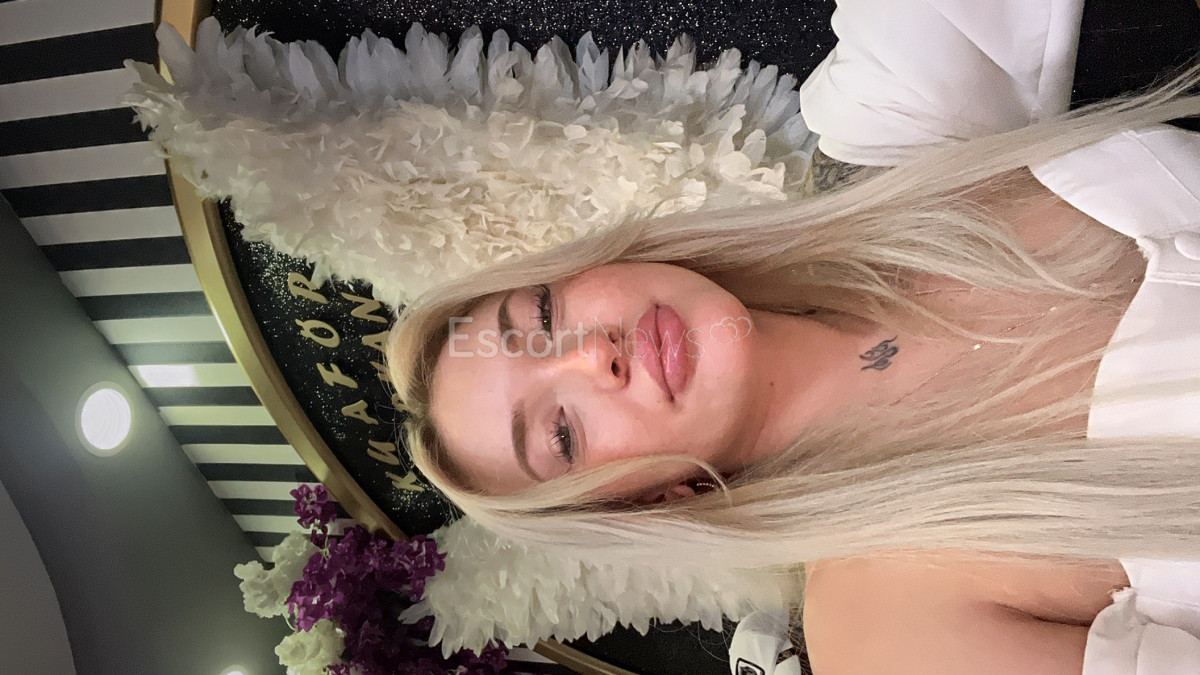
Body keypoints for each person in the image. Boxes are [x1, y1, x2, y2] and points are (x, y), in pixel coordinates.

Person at [387, 0, 1200, 672]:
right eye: (561, 433)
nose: (591, 354)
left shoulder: (902, 140)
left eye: (541, 318)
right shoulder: (879, 630)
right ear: (645, 501)